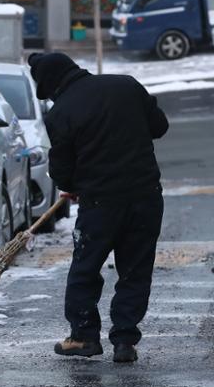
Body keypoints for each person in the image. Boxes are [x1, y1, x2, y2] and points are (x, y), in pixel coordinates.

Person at [28, 53, 169, 363]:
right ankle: (125, 341)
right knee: (134, 270)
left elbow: (62, 173)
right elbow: (159, 126)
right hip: (145, 196)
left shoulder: (61, 113)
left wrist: (75, 185)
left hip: (101, 204)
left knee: (85, 269)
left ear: (52, 85)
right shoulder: (127, 86)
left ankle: (83, 337)